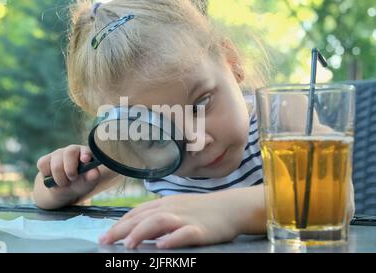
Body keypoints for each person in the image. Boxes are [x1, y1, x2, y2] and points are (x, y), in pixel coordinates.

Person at [33, 0, 355, 249]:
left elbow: (337, 197)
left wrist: (224, 212)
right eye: (153, 128)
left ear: (232, 62)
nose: (197, 140)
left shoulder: (281, 115)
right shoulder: (144, 149)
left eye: (201, 103)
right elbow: (44, 195)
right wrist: (67, 181)